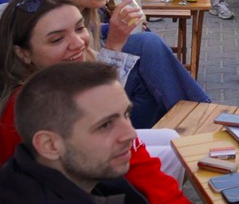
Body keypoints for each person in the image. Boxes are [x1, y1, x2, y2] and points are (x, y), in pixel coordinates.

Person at [0, 0, 187, 202]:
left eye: (80, 28)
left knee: (171, 139)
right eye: (56, 39)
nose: (78, 42)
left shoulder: (62, 84)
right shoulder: (27, 110)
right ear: (23, 53)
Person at [36, 0, 210, 131]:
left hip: (103, 116)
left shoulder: (82, 16)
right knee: (146, 46)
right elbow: (89, 100)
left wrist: (111, 29)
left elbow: (94, 33)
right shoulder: (48, 26)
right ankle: (205, 121)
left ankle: (196, 124)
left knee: (149, 81)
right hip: (75, 124)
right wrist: (113, 44)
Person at [0, 62, 164, 202]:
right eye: (105, 125)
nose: (131, 134)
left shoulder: (90, 177)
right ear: (49, 145)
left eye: (126, 114)